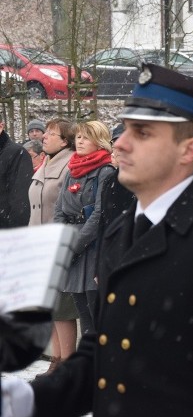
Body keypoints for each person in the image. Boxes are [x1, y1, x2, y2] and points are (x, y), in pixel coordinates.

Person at [1, 64, 193, 417]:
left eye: (142, 133)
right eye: (126, 129)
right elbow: (106, 354)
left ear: (188, 149)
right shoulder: (126, 229)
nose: (120, 143)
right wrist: (21, 403)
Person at [53, 120, 115, 336]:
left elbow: (99, 214)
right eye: (78, 136)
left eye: (86, 137)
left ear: (99, 142)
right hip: (72, 243)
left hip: (91, 247)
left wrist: (75, 246)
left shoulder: (105, 171)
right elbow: (59, 208)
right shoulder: (73, 168)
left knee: (95, 311)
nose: (79, 141)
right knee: (82, 311)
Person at [27, 118, 78, 376]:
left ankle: (66, 365)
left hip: (58, 243)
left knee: (63, 306)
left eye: (51, 133)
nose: (44, 137)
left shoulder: (69, 163)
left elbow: (68, 207)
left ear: (65, 141)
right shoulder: (47, 162)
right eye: (45, 132)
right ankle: (56, 360)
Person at [0, 119, 31, 229]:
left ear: (1, 126)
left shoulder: (16, 153)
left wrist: (15, 233)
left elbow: (20, 197)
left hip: (6, 228)